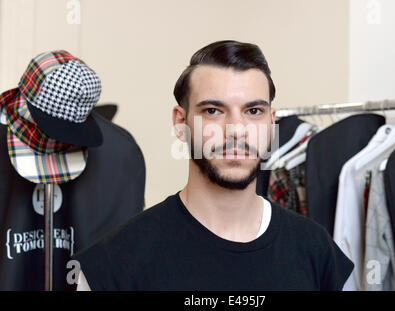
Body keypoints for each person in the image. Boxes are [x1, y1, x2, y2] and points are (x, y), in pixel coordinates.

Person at [74, 40, 353, 290]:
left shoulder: (317, 250)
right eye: (213, 111)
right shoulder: (113, 264)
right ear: (180, 122)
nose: (236, 130)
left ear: (271, 123)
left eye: (253, 111)